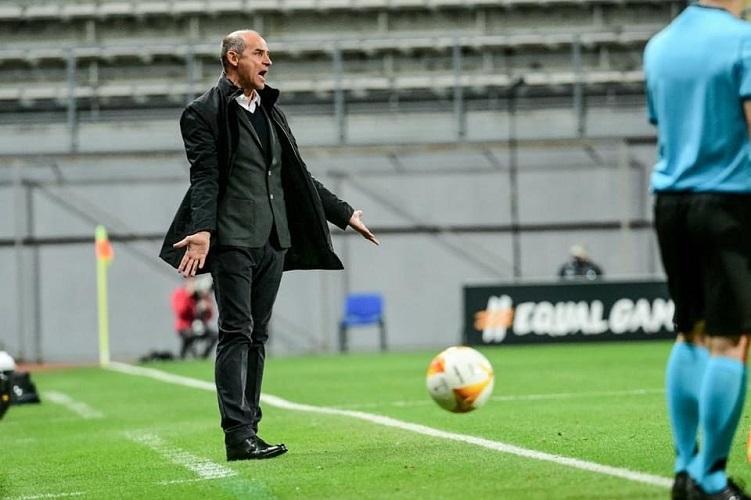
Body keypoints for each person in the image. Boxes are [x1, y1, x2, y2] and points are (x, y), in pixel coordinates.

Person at [159, 30, 379, 462]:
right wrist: (202, 230)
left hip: (273, 241)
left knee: (258, 335)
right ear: (233, 58)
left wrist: (343, 213)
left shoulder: (271, 110)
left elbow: (297, 175)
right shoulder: (203, 112)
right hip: (232, 240)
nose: (268, 61)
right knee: (236, 332)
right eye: (259, 53)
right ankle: (237, 434)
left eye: (268, 54)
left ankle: (251, 430)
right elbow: (204, 177)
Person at [644, 1, 751, 498]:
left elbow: (665, 124)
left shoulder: (659, 46)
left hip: (671, 204)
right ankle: (712, 477)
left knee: (690, 333)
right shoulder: (743, 41)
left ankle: (685, 470)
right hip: (729, 203)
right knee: (731, 340)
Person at [171, 278, 218, 359]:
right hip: (184, 326)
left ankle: (203, 357)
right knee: (189, 337)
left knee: (214, 335)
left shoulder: (201, 296)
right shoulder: (180, 294)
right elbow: (181, 311)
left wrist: (205, 306)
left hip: (199, 326)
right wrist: (189, 297)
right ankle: (182, 357)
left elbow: (209, 316)